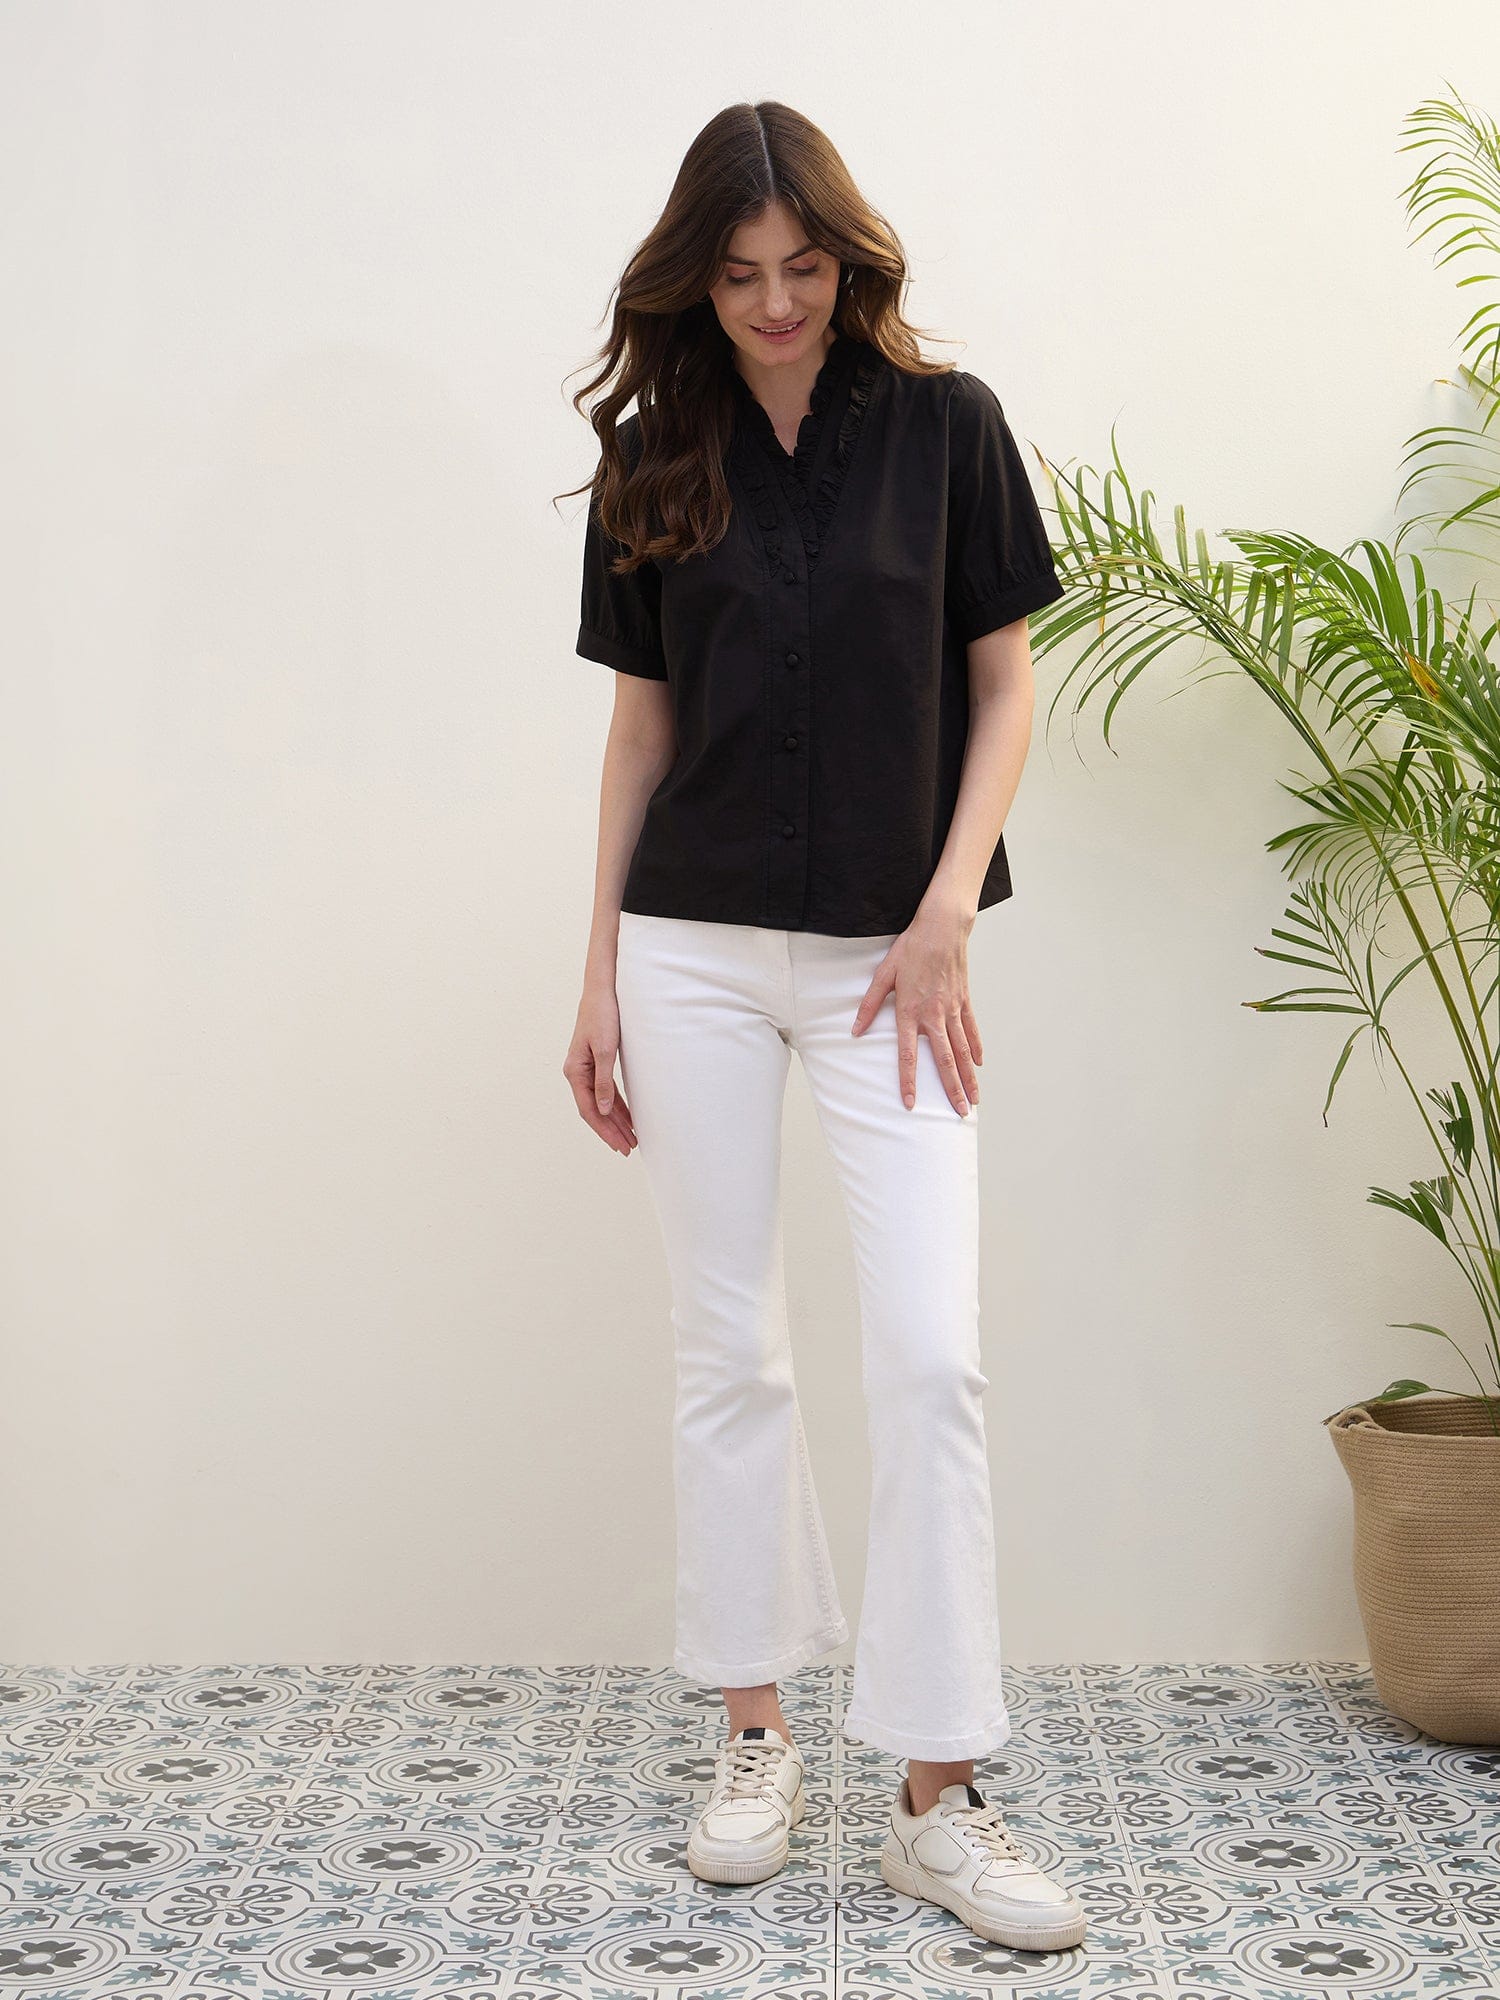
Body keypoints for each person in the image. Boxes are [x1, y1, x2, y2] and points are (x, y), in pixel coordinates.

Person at [560, 99, 1086, 1957]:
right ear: (695, 282)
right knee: (734, 1349)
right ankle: (756, 1734)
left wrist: (946, 911)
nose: (776, 303)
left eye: (802, 268)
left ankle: (939, 1796)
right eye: (739, 275)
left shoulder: (948, 430)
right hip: (691, 947)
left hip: (891, 956)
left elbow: (1006, 685)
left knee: (930, 1357)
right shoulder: (655, 454)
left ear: (849, 261)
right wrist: (598, 971)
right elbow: (638, 731)